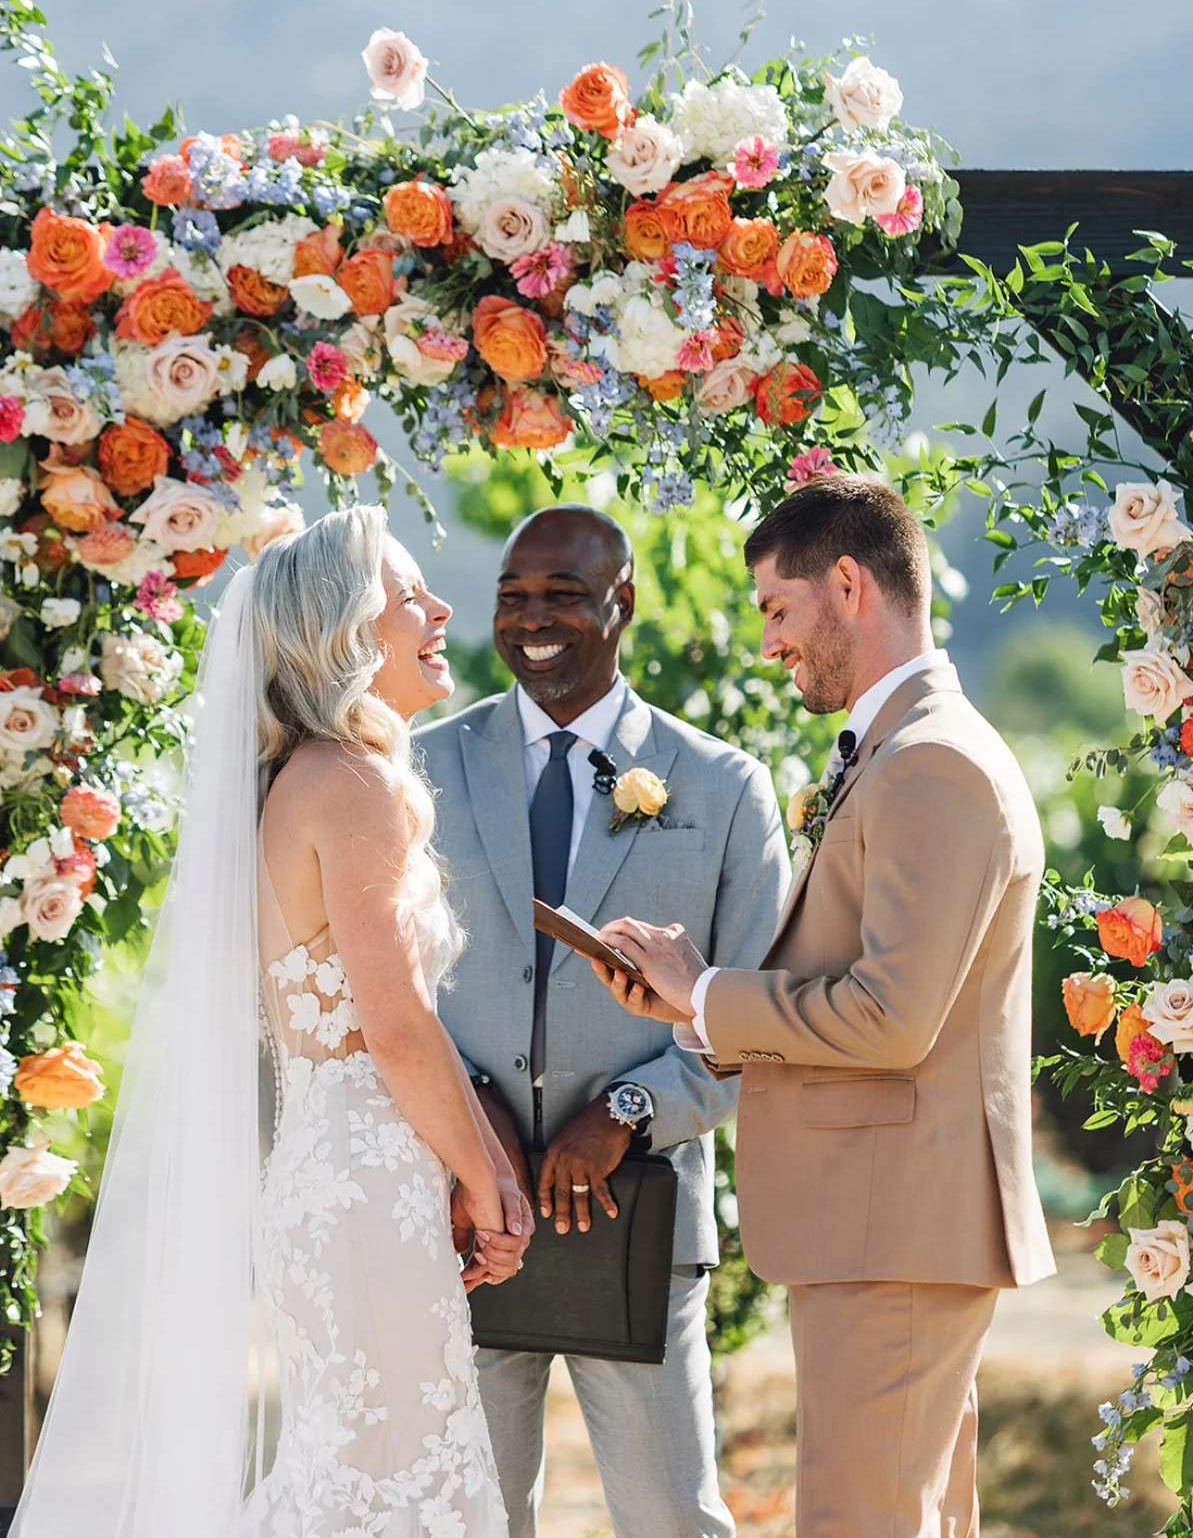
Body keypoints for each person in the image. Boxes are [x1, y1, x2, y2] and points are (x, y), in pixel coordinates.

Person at [14, 506, 530, 1538]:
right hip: (371, 1188)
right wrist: (489, 1176)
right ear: (344, 635)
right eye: (407, 597)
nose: (439, 611)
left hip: (325, 1182)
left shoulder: (292, 784)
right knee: (399, 1486)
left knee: (354, 1476)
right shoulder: (356, 782)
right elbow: (396, 1026)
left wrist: (467, 1168)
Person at [594, 475, 1056, 1538]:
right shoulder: (910, 749)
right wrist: (699, 1003)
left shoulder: (930, 762)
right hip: (888, 1225)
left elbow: (893, 1016)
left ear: (848, 583)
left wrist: (710, 988)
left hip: (892, 1227)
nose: (768, 643)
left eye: (776, 608)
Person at [416, 505, 790, 1538]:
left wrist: (629, 1107)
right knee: (466, 1517)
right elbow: (380, 982)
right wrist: (465, 1106)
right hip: (457, 1213)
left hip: (640, 1220)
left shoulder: (722, 786)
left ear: (622, 603)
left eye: (565, 594)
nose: (533, 616)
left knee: (674, 1516)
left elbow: (756, 1014)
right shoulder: (414, 768)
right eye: (513, 594)